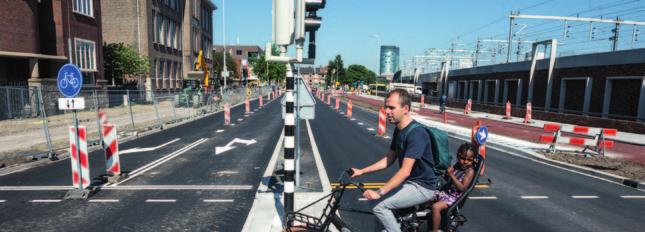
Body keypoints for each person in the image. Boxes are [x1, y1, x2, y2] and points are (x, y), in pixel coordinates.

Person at [350, 88, 440, 232]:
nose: (387, 111)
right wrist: (362, 171)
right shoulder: (399, 130)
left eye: (392, 108)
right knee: (377, 206)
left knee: (379, 206)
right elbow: (389, 159)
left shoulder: (416, 133)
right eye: (386, 107)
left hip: (423, 187)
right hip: (411, 184)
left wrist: (379, 192)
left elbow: (405, 171)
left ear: (405, 109)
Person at [429, 143, 477, 232]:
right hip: (447, 191)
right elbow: (448, 176)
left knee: (436, 207)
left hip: (454, 197)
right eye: (462, 158)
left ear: (473, 160)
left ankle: (435, 230)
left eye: (469, 160)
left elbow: (462, 188)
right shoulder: (458, 165)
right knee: (427, 196)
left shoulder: (470, 171)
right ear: (458, 156)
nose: (465, 162)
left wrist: (451, 175)